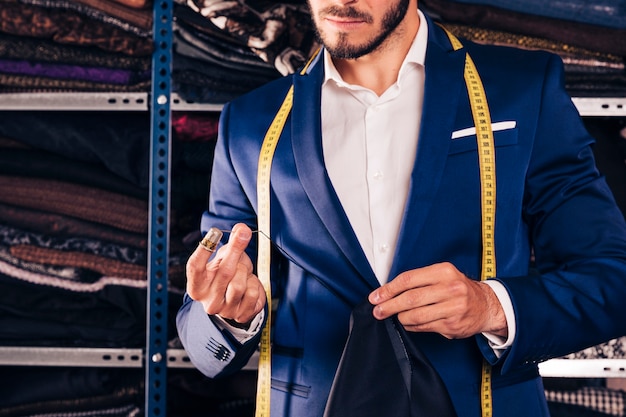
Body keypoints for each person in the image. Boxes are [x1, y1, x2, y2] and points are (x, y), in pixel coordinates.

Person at [176, 0, 626, 416]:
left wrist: (490, 307)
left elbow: (610, 275)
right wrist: (226, 314)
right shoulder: (251, 124)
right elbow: (202, 337)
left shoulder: (521, 91)